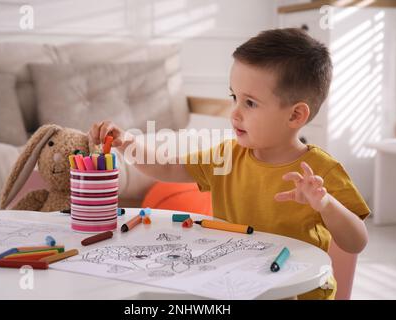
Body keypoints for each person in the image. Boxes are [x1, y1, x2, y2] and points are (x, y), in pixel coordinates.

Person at [88, 28, 369, 299]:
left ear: (295, 115)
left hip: (294, 292)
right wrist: (127, 144)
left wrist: (326, 204)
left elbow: (356, 242)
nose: (234, 113)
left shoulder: (321, 172)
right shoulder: (227, 156)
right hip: (233, 285)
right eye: (234, 97)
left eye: (250, 103)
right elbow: (168, 167)